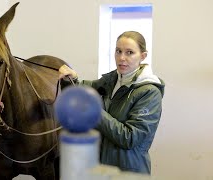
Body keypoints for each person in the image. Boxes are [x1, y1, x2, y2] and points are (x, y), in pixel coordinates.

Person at [58, 31, 165, 174]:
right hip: (103, 169)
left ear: (143, 56)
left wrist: (95, 111)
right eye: (118, 51)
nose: (121, 58)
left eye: (129, 52)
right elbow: (82, 91)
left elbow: (130, 138)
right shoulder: (111, 80)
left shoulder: (149, 92)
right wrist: (70, 79)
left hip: (128, 172)